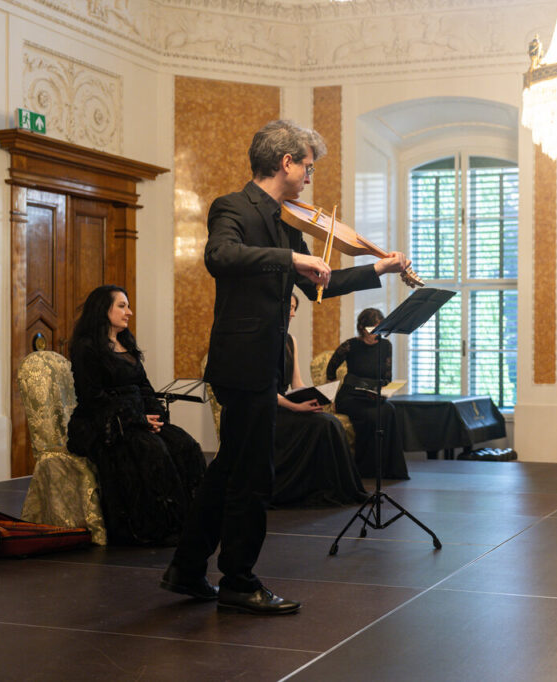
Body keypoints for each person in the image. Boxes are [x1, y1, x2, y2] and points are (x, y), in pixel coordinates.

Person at [161, 119, 411, 615]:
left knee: (229, 469)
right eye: (308, 166)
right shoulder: (232, 207)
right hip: (242, 362)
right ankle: (238, 580)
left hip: (263, 363)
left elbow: (322, 284)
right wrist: (293, 261)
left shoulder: (285, 220)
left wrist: (378, 268)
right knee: (253, 475)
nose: (310, 178)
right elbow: (220, 255)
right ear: (286, 163)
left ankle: (187, 569)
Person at [66, 285, 206, 546]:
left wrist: (154, 414)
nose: (129, 312)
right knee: (151, 450)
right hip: (105, 423)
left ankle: (191, 520)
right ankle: (156, 526)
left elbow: (144, 387)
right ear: (102, 310)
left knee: (184, 444)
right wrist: (137, 420)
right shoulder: (87, 348)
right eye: (122, 306)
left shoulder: (126, 343)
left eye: (128, 306)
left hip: (138, 417)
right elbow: (92, 397)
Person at [273, 294, 367, 506]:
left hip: (288, 405)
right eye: (289, 307)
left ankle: (340, 489)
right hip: (270, 411)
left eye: (295, 308)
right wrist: (296, 407)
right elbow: (266, 391)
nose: (293, 313)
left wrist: (316, 396)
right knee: (323, 425)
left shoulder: (290, 340)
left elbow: (297, 383)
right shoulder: (262, 339)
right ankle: (322, 488)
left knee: (330, 421)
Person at [326, 308, 409, 480]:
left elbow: (386, 377)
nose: (375, 334)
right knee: (372, 417)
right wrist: (331, 396)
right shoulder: (350, 345)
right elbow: (330, 370)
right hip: (350, 397)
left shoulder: (385, 346)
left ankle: (388, 468)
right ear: (362, 327)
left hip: (372, 395)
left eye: (379, 329)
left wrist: (386, 391)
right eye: (371, 329)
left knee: (390, 410)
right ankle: (365, 469)